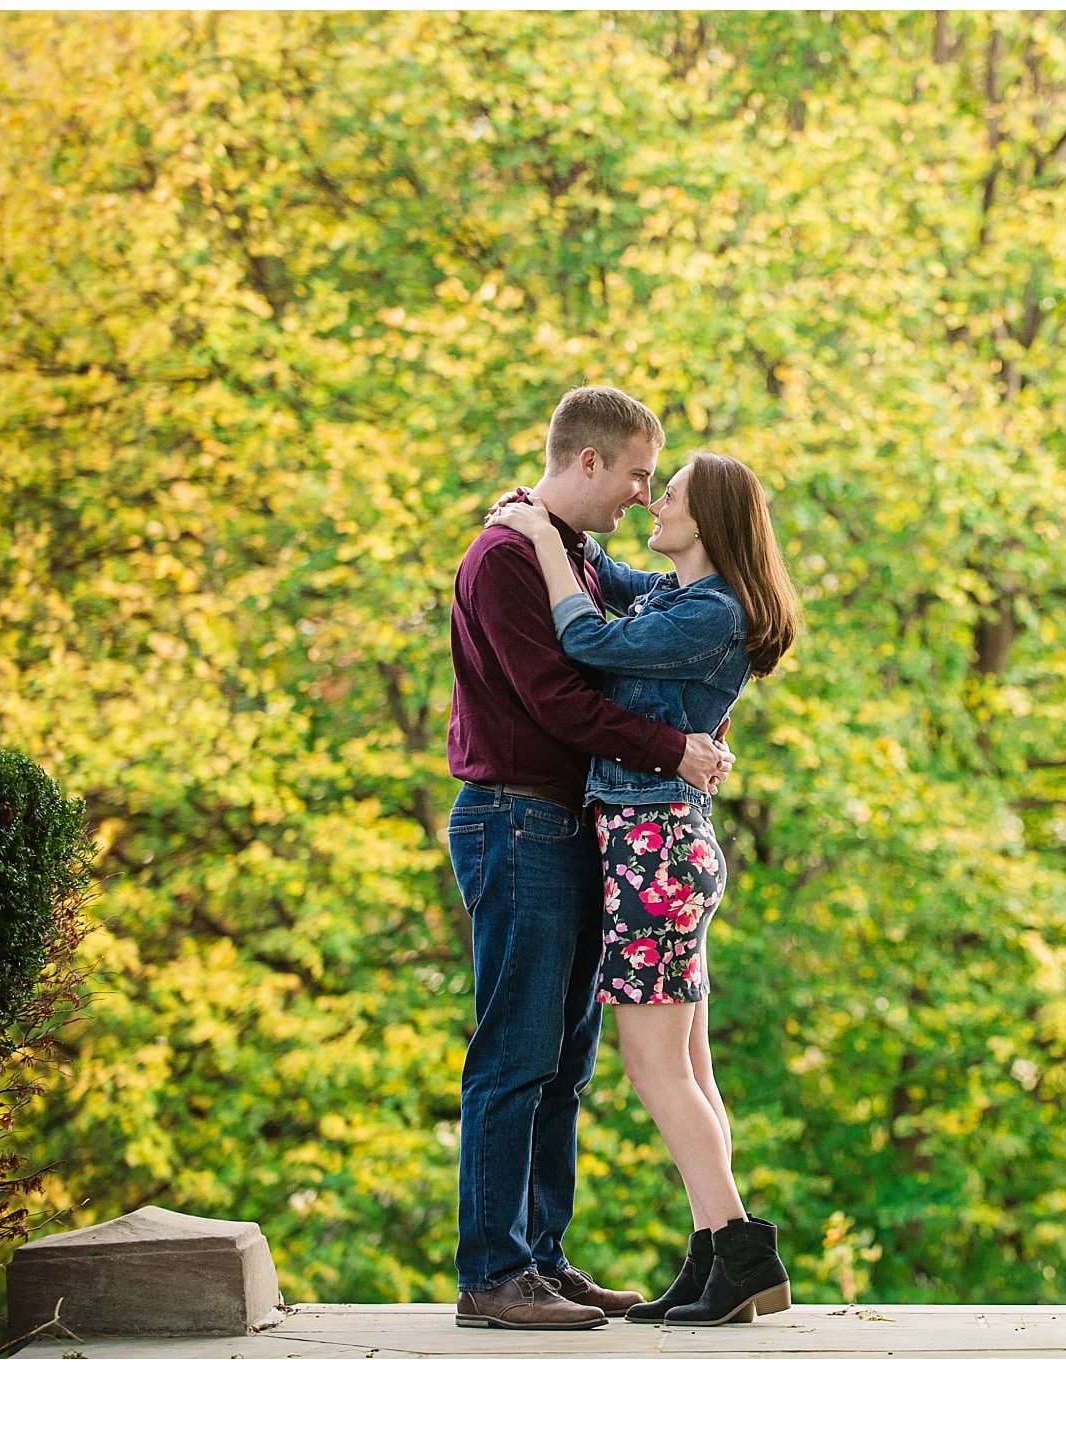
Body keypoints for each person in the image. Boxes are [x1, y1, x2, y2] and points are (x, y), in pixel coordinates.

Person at [484, 448, 801, 1326]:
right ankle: (714, 1256)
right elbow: (613, 578)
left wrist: (536, 542)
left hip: (653, 851)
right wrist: (543, 516)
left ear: (711, 521)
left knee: (656, 1068)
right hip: (662, 846)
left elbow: (587, 636)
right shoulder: (680, 595)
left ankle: (741, 1253)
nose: (651, 504)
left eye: (668, 495)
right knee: (690, 1068)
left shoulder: (710, 612)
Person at [444, 386, 735, 1331]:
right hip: (516, 819)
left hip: (570, 827)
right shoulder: (503, 560)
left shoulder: (566, 552)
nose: (642, 498)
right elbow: (555, 703)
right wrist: (673, 749)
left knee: (565, 1062)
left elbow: (636, 626)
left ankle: (541, 1258)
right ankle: (492, 1274)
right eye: (639, 476)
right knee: (513, 1055)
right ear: (588, 464)